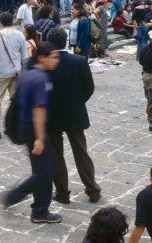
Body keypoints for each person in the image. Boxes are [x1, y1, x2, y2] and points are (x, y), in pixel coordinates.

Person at [1, 42, 62, 224]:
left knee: (42, 171)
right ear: (42, 58)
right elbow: (39, 110)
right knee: (45, 173)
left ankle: (40, 209)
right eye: (53, 57)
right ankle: (17, 198)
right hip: (34, 128)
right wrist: (40, 138)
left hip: (24, 125)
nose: (56, 61)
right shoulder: (41, 79)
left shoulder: (26, 74)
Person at [45, 28, 101, 204]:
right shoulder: (79, 61)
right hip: (74, 112)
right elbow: (89, 88)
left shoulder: (45, 63)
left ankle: (62, 193)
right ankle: (92, 190)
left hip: (52, 115)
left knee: (56, 155)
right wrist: (78, 102)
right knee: (81, 151)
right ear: (66, 41)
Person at [0, 11, 27, 139]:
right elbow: (24, 56)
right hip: (16, 71)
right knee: (17, 100)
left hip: (1, 72)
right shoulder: (20, 35)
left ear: (1, 22)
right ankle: (19, 126)